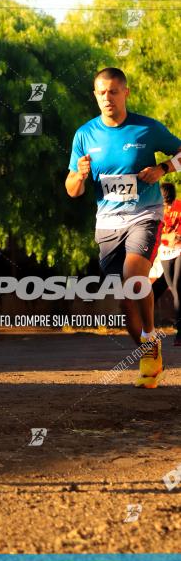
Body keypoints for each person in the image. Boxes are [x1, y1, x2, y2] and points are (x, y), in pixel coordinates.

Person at [65, 67, 181, 388]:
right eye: (102, 93)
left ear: (125, 93)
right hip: (107, 224)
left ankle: (149, 335)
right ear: (95, 96)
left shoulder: (146, 129)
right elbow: (72, 190)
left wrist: (163, 168)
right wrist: (80, 175)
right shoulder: (85, 135)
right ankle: (149, 351)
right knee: (125, 301)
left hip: (144, 215)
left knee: (134, 277)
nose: (108, 98)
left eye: (114, 91)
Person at [159, 182, 181, 345]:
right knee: (173, 290)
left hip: (180, 249)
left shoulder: (179, 206)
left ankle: (180, 331)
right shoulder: (156, 209)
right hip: (165, 253)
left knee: (178, 287)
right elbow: (154, 233)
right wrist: (167, 238)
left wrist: (177, 237)